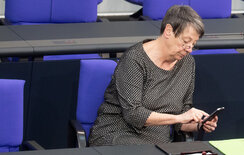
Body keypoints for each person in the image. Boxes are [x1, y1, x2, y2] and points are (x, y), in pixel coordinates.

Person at [88, 5, 218, 146]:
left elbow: (180, 119)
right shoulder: (135, 59)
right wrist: (180, 117)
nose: (189, 49)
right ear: (168, 31)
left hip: (156, 141)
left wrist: (199, 124)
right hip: (117, 133)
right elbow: (134, 114)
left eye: (194, 44)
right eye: (186, 42)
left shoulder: (187, 63)